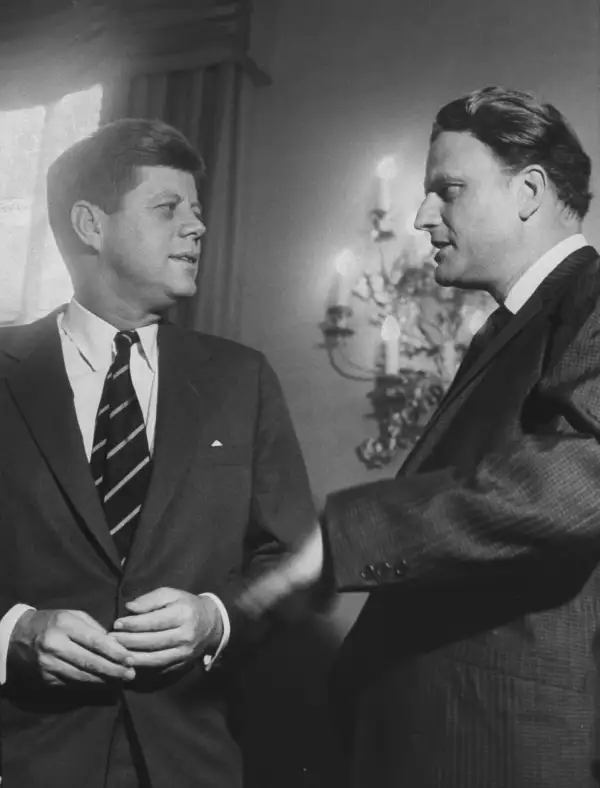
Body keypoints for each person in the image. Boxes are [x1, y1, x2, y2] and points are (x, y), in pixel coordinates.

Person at [255, 86, 600, 787]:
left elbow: (578, 482)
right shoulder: (512, 325)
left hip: (505, 750)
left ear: (529, 191)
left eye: (449, 189)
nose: (421, 216)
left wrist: (344, 539)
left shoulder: (591, 298)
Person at [0, 118, 317, 788]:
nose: (197, 228)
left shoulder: (242, 379)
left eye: (196, 212)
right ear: (91, 225)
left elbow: (294, 560)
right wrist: (12, 634)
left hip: (193, 762)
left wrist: (215, 618)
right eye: (168, 208)